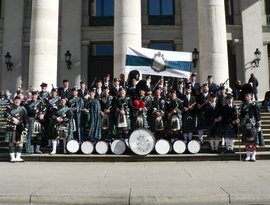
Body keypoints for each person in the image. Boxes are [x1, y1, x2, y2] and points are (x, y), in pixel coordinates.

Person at [240, 84, 261, 161]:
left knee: (253, 140)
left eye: (248, 96)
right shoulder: (243, 105)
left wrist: (258, 124)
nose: (247, 97)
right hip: (245, 123)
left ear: (251, 96)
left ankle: (253, 155)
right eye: (246, 96)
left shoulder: (255, 104)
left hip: (253, 124)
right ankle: (248, 154)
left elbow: (257, 114)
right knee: (247, 140)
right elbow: (242, 115)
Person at [5, 96, 29, 162]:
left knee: (20, 142)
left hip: (20, 127)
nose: (17, 101)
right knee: (11, 142)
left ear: (20, 101)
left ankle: (18, 157)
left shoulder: (23, 109)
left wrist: (26, 127)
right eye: (16, 100)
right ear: (13, 101)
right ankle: (12, 158)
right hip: (11, 126)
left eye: (18, 100)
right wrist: (12, 119)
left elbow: (26, 119)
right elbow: (5, 115)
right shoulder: (9, 107)